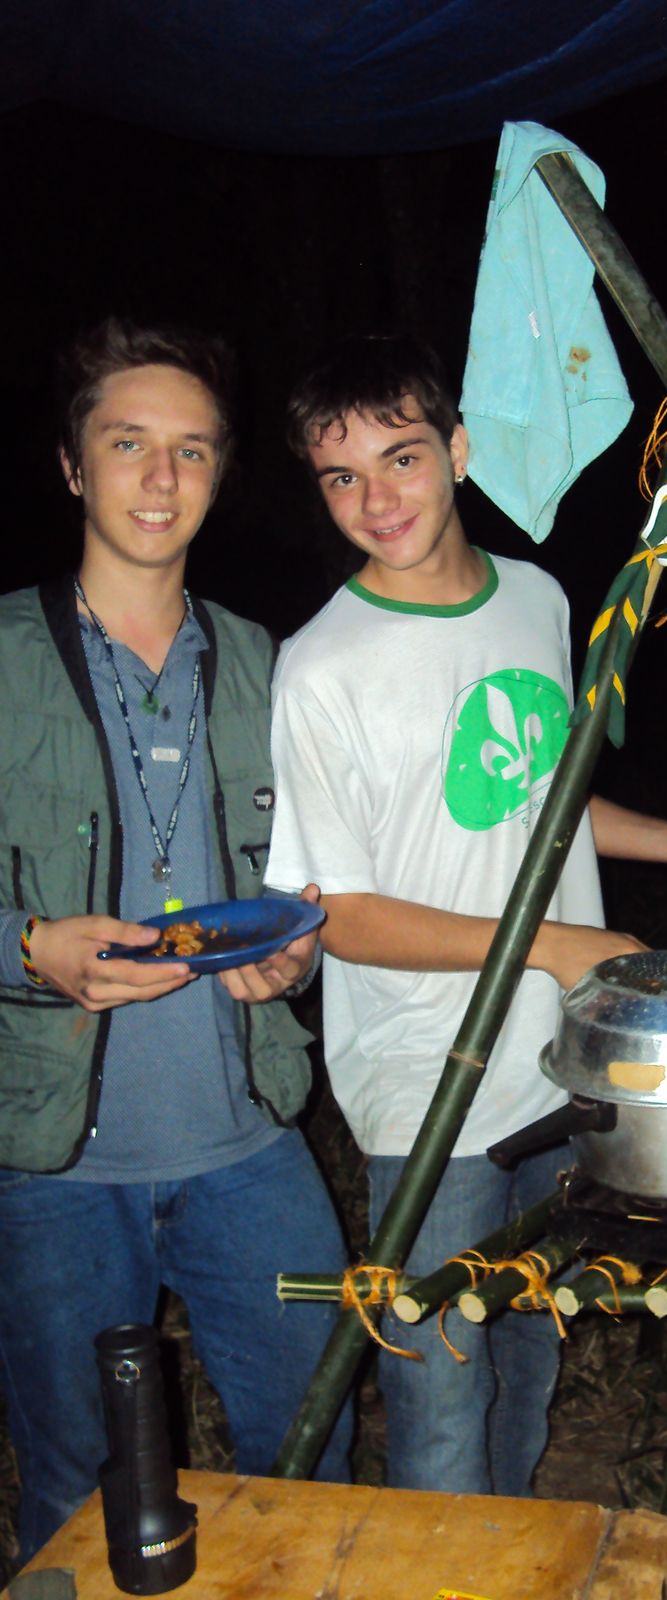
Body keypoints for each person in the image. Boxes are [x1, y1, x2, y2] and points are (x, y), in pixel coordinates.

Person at [266, 334, 667, 1498]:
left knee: (527, 1344)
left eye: (402, 458)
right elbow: (338, 914)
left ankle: (504, 1549)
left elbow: (542, 800)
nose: (377, 499)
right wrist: (555, 945)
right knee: (439, 1390)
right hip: (429, 1079)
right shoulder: (320, 668)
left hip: (555, 1061)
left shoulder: (537, 599)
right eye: (342, 476)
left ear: (457, 450)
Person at [0, 318, 351, 1567]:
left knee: (309, 1459)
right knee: (75, 1492)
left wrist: (295, 954)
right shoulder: (4, 657)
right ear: (71, 465)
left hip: (248, 1145)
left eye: (192, 449)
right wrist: (26, 944)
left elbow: (305, 881)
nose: (161, 477)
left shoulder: (266, 663)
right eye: (128, 443)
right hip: (53, 1166)